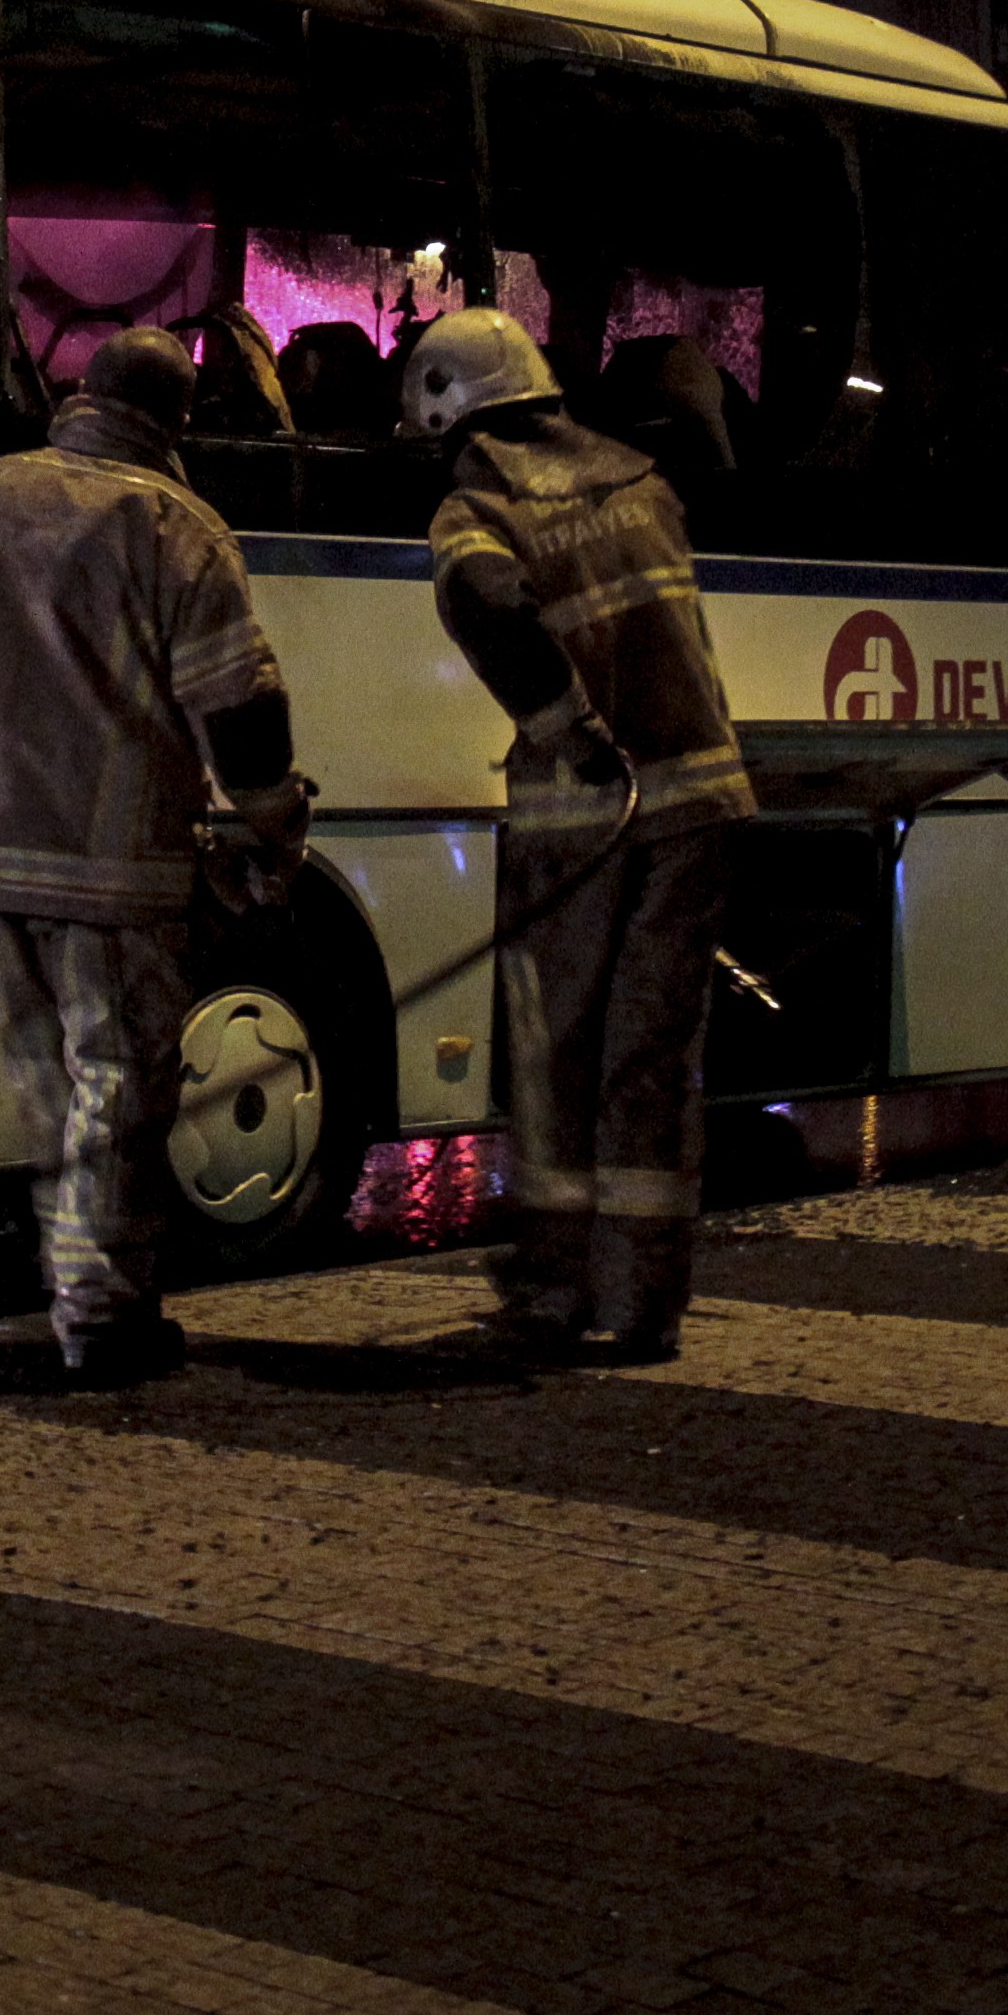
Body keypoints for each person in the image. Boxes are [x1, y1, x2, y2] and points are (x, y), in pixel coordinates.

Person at [0, 323, 312, 1384]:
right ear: (176, 421)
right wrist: (272, 818)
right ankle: (103, 1319)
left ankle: (77, 1300)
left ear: (81, 394)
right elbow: (239, 703)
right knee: (118, 1094)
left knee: (45, 1094)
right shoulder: (175, 524)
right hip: (110, 871)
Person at [409, 306, 754, 1359]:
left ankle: (555, 1286)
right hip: (697, 804)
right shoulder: (643, 480)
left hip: (585, 820)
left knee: (558, 1056)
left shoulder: (479, 505)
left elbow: (486, 601)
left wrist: (568, 732)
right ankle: (640, 1304)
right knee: (649, 1057)